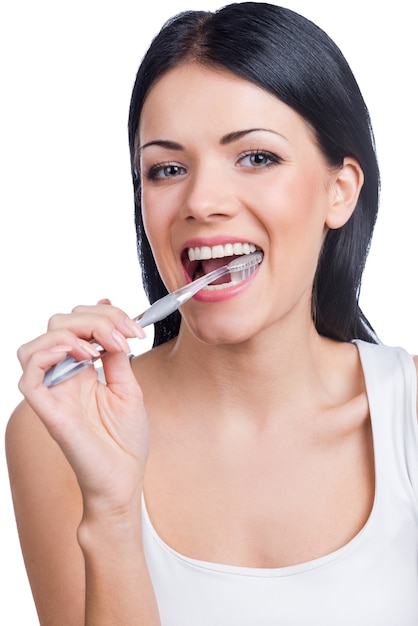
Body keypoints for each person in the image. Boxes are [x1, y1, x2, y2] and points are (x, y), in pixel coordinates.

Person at [5, 2, 418, 624]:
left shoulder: (409, 414)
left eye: (256, 157)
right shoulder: (58, 433)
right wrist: (114, 517)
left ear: (340, 191)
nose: (201, 201)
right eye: (167, 169)